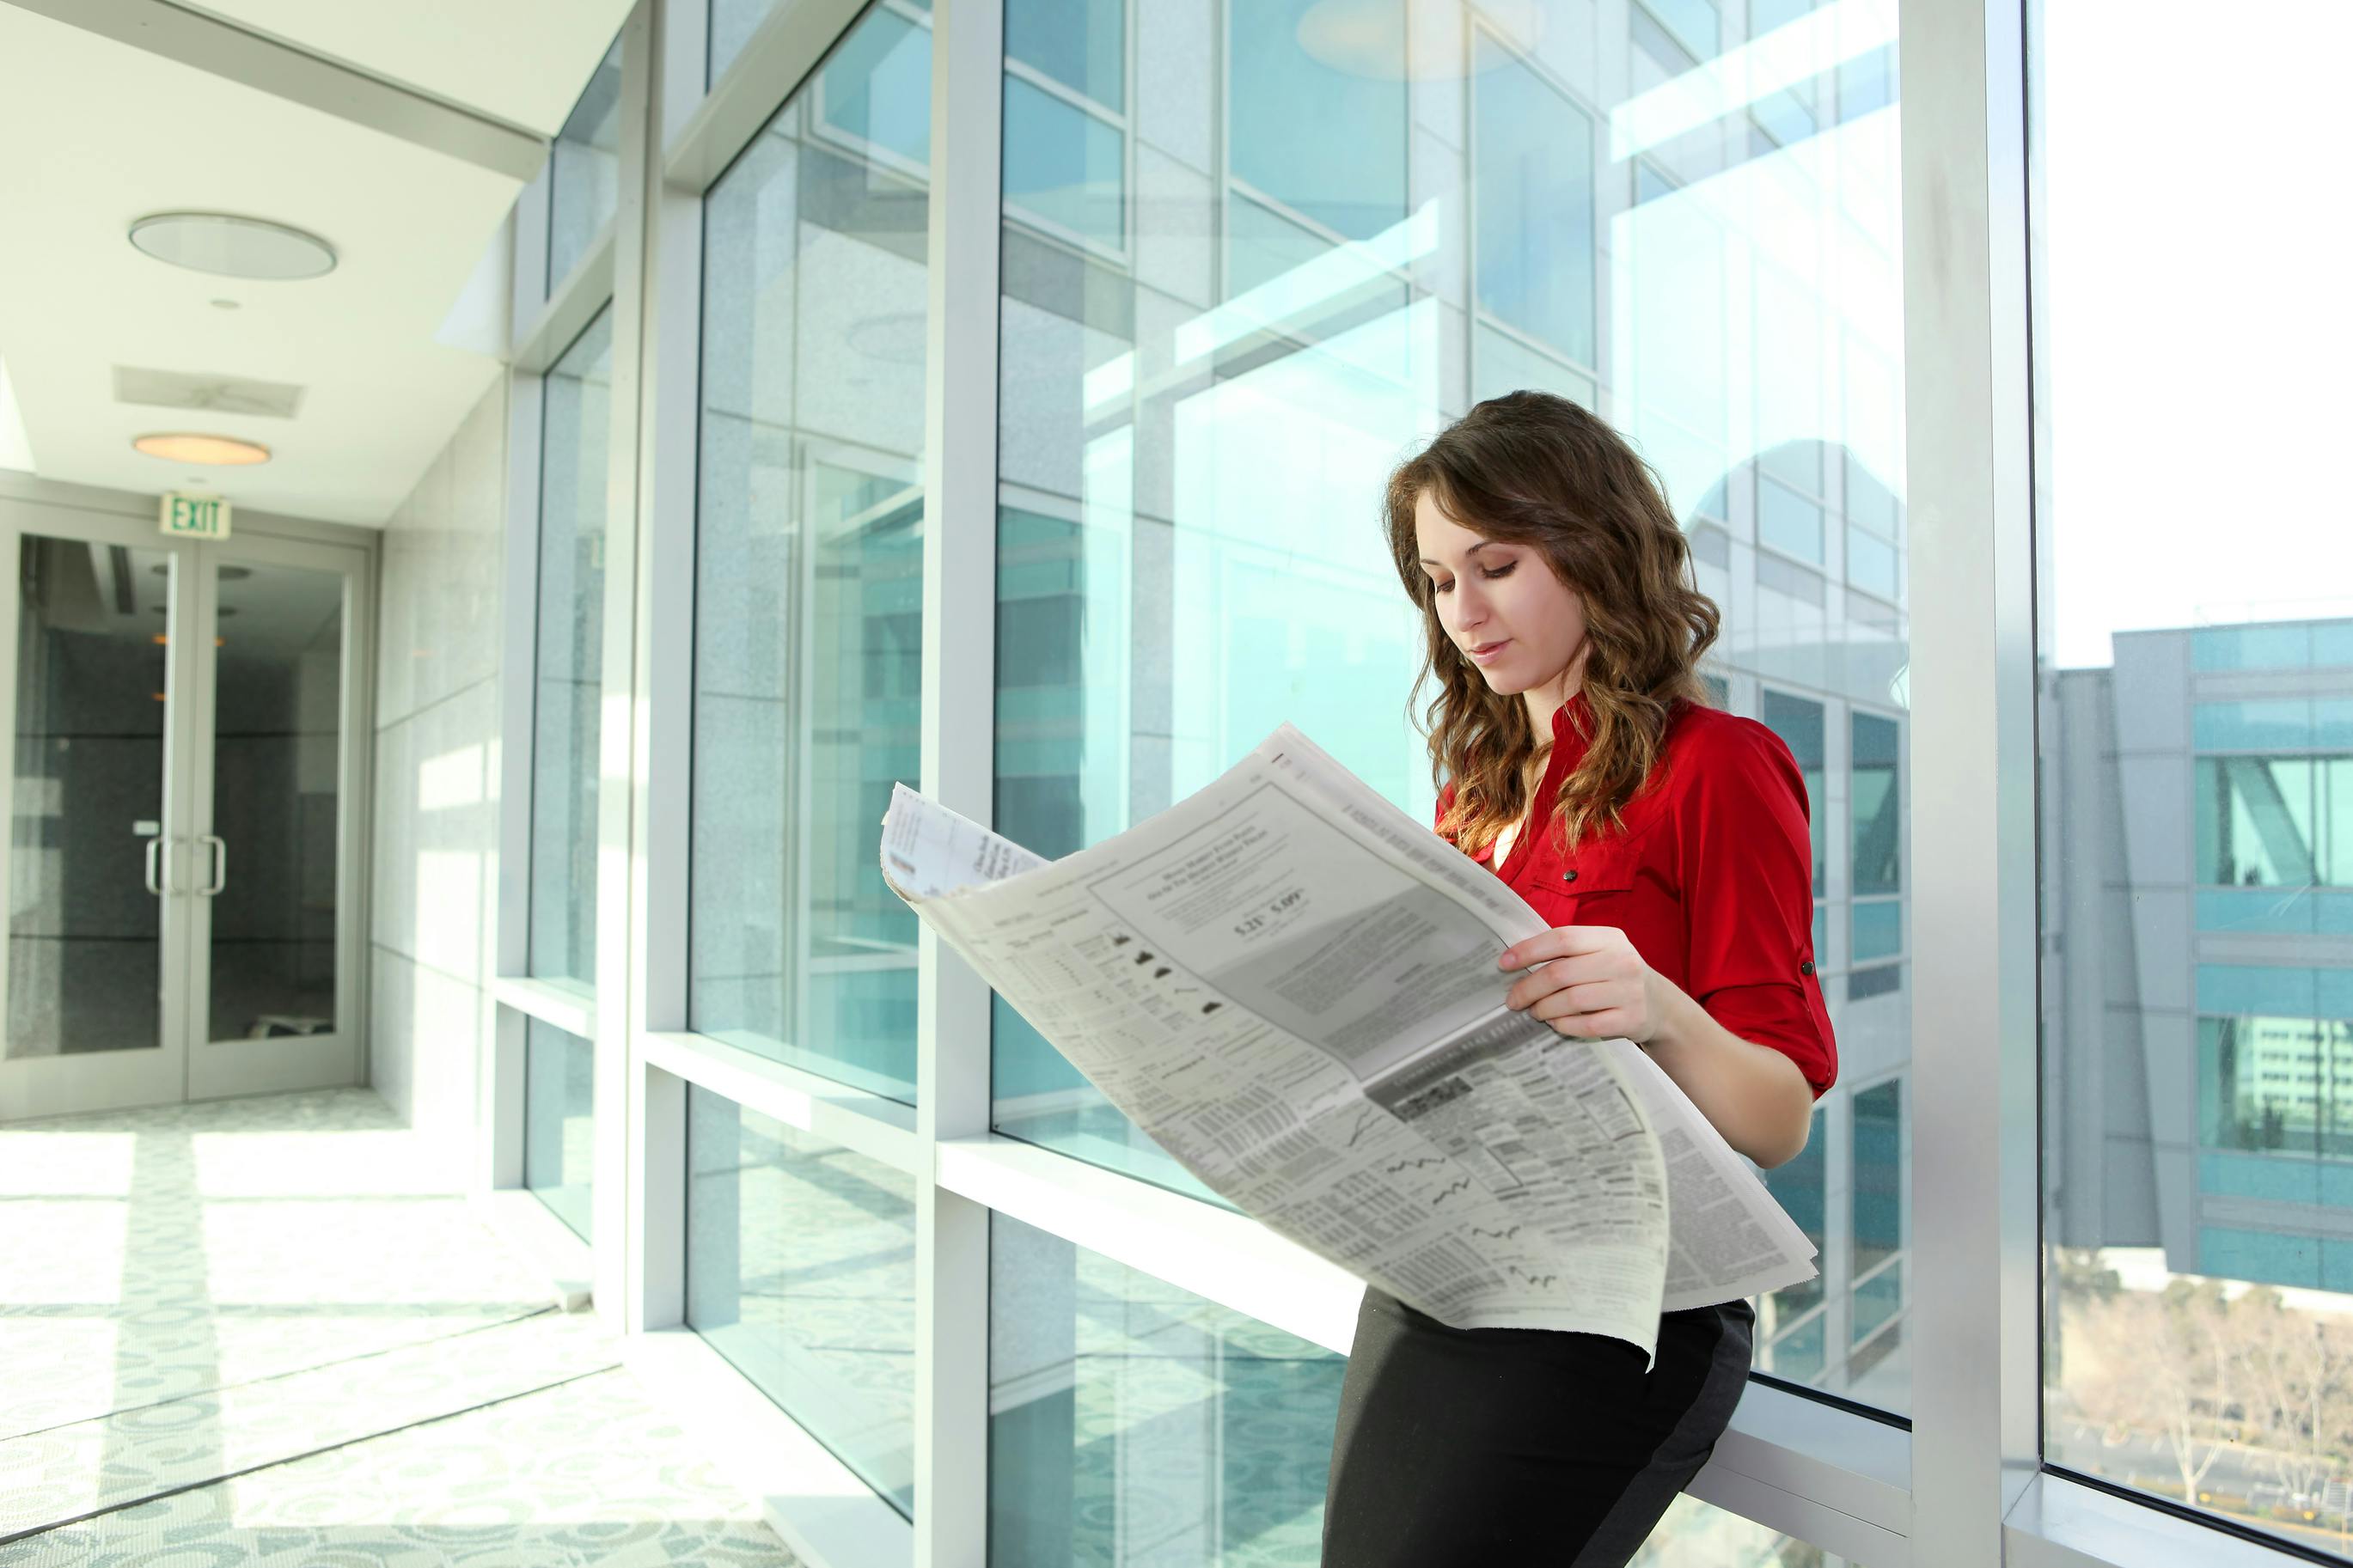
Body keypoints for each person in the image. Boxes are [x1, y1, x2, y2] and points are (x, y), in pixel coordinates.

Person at [1321, 392, 1837, 1566]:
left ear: (1594, 548)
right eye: (1438, 580)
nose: (1463, 611)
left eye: (1493, 565)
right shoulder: (1474, 793)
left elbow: (1778, 1116)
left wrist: (1657, 1006)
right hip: (1444, 1272)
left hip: (1617, 1316)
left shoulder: (1719, 769)